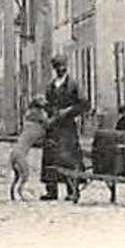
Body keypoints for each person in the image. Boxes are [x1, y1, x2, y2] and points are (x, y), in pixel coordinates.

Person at [39, 56, 88, 202]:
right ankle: (51, 190)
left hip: (67, 127)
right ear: (54, 68)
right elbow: (48, 105)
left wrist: (68, 111)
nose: (60, 69)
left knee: (70, 158)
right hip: (54, 127)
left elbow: (84, 104)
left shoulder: (73, 85)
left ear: (66, 67)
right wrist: (46, 109)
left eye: (62, 66)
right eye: (57, 67)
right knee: (51, 157)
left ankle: (73, 190)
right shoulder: (51, 86)